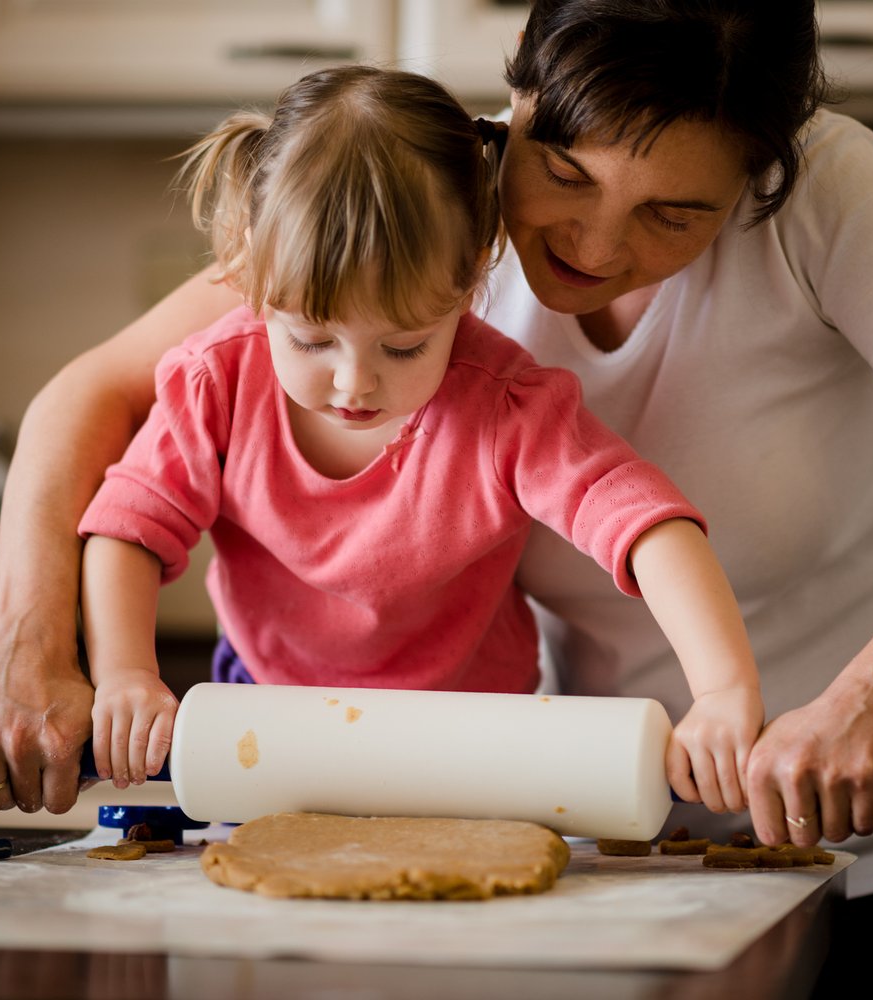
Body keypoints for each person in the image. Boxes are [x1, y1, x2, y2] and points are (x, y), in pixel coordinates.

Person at [0, 2, 873, 994]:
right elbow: (96, 396)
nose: (594, 245)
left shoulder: (830, 193)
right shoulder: (425, 202)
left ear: (763, 174)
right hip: (608, 821)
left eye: (677, 214)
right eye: (560, 172)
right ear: (514, 97)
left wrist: (870, 695)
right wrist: (35, 645)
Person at [74, 65, 763, 813]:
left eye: (403, 348)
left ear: (470, 281)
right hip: (270, 739)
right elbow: (129, 530)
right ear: (249, 271)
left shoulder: (504, 406)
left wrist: (724, 689)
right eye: (310, 340)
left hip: (471, 752)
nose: (352, 385)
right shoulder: (217, 383)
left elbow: (644, 523)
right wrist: (125, 676)